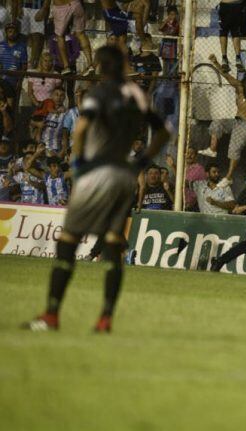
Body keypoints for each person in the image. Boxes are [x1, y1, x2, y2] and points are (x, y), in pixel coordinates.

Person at [22, 46, 171, 333]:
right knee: (114, 244)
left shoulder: (99, 95)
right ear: (124, 64)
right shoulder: (136, 94)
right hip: (123, 176)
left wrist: (77, 164)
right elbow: (163, 130)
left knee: (68, 241)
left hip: (95, 173)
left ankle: (51, 315)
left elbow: (79, 131)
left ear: (101, 67)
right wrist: (141, 159)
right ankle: (106, 318)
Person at [200, 54, 246, 188]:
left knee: (233, 148)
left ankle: (228, 177)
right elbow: (227, 76)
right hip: (237, 122)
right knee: (218, 123)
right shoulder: (240, 89)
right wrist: (216, 62)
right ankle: (212, 148)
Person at [48, 0, 94, 75]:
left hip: (60, 6)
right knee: (81, 34)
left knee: (60, 36)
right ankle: (90, 64)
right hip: (76, 4)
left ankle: (66, 66)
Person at [30, 86, 67, 159]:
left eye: (61, 95)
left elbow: (65, 134)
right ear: (52, 96)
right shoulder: (45, 108)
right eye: (56, 94)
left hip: (55, 149)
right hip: (40, 147)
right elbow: (31, 122)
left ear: (64, 97)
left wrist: (63, 151)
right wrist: (38, 124)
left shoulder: (66, 113)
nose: (59, 97)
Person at [0, 21, 28, 98]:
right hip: (1, 78)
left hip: (13, 80)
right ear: (6, 32)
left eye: (14, 31)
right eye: (10, 31)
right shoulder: (1, 45)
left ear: (17, 33)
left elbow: (24, 66)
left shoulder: (21, 47)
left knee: (11, 104)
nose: (12, 33)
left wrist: (20, 81)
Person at [217, 0, 245, 72]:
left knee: (223, 31)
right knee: (235, 32)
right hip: (236, 5)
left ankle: (224, 58)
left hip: (225, 5)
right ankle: (238, 58)